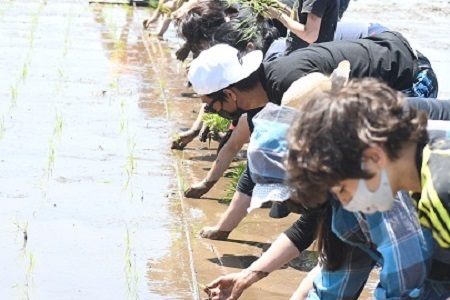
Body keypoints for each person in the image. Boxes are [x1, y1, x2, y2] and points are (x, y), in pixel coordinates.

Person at [189, 30, 438, 240]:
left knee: (381, 182)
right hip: (380, 74)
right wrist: (223, 228)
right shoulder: (261, 107)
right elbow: (259, 166)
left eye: (211, 106)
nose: (213, 112)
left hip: (408, 77)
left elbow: (326, 168)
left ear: (230, 95)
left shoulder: (295, 87)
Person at [204, 98, 450, 300]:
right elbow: (335, 283)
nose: (290, 207)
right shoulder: (342, 208)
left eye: (291, 196)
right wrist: (250, 274)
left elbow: (406, 283)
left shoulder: (372, 183)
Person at [286, 78, 450, 249]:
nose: (347, 203)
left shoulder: (440, 195)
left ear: (374, 157)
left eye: (343, 189)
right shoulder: (425, 181)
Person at [267, 0, 339, 53]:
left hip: (306, 58)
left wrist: (279, 16)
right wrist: (281, 8)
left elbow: (310, 35)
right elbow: (302, 19)